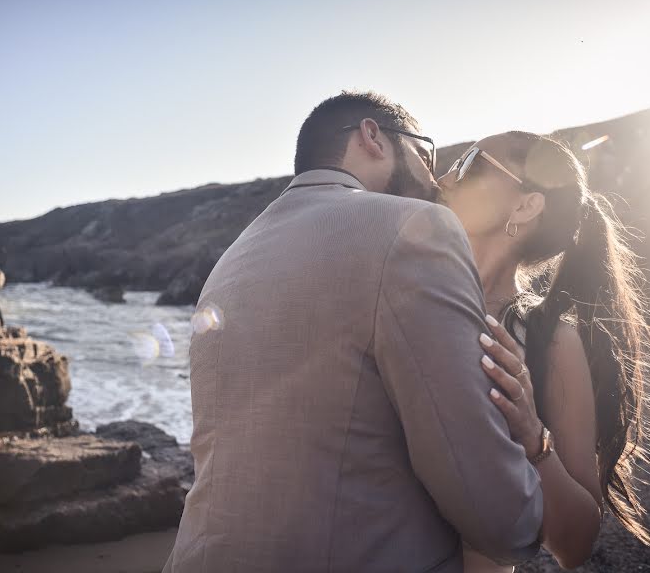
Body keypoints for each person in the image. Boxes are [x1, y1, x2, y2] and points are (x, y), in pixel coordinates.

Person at [163, 92, 544, 572]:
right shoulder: (416, 226)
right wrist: (531, 485)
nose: (434, 178)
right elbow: (488, 501)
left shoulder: (233, 258)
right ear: (372, 137)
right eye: (426, 154)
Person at [437, 132, 650, 571]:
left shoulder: (549, 341)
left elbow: (576, 544)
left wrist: (532, 436)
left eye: (469, 164)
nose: (444, 177)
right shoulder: (403, 296)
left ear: (525, 206)